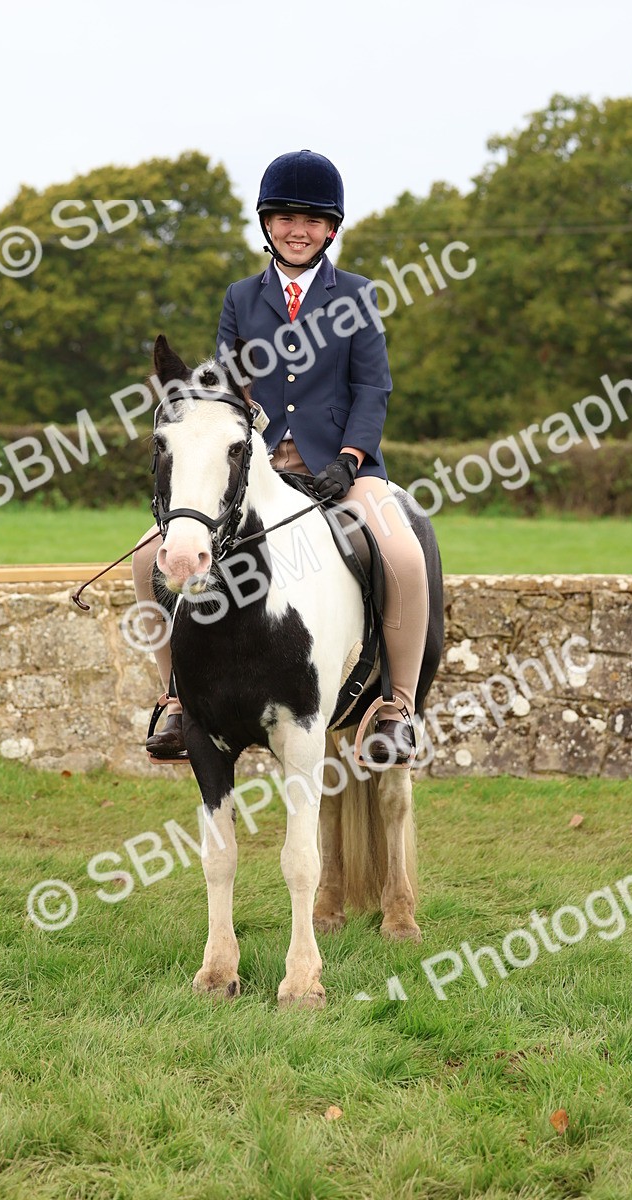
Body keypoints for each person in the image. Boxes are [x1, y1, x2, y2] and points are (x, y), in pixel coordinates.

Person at [132, 149, 429, 765]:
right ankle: (178, 698)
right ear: (267, 224)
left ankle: (398, 707)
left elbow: (373, 389)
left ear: (331, 229)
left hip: (341, 471)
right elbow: (226, 391)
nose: (298, 230)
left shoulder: (358, 295)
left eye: (313, 220)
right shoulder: (242, 296)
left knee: (402, 554)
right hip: (260, 473)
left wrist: (349, 457)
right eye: (285, 217)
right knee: (146, 560)